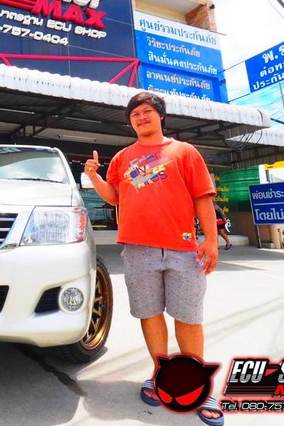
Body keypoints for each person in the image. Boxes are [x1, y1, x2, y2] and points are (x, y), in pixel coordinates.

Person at [84, 91, 223, 426]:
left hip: (182, 249)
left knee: (188, 316)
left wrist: (211, 240)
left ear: (161, 116)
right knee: (150, 314)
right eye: (135, 114)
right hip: (137, 249)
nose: (141, 117)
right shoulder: (123, 157)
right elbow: (114, 197)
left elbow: (202, 197)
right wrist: (94, 177)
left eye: (147, 111)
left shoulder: (184, 152)